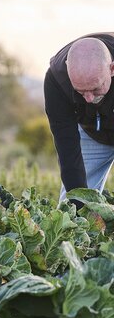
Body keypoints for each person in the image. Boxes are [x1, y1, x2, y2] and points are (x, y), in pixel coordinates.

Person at [44, 33, 114, 198]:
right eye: (81, 91)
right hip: (92, 132)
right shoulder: (56, 79)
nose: (89, 99)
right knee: (73, 203)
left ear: (111, 69)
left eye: (95, 88)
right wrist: (80, 206)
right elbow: (66, 146)